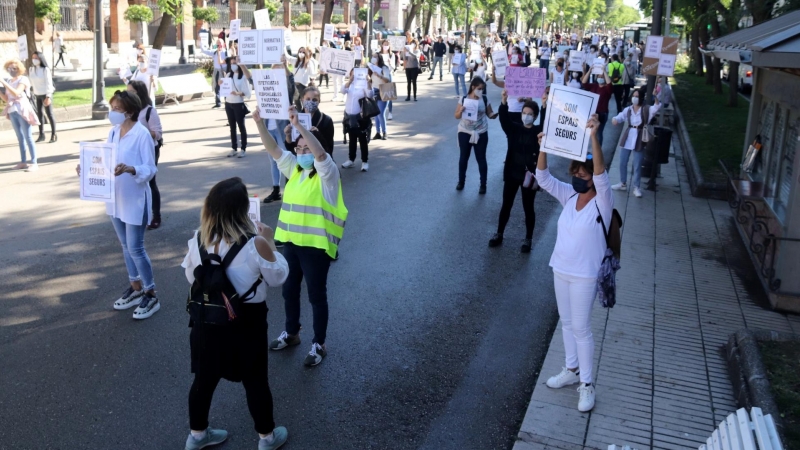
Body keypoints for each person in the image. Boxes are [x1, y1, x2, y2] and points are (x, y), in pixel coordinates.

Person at [181, 178, 290, 450]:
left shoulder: (198, 238)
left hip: (208, 319)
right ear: (243, 210)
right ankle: (266, 437)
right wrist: (271, 242)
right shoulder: (255, 243)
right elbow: (277, 277)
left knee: (203, 379)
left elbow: (190, 275)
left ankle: (197, 435)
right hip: (247, 322)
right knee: (255, 381)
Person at [251, 105, 348, 367]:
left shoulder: (328, 175)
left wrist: (300, 127)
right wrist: (259, 123)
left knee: (316, 296)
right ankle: (291, 332)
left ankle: (319, 343)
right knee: (289, 291)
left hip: (315, 248)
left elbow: (320, 154)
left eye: (307, 149)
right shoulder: (295, 170)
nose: (302, 152)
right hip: (291, 244)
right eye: (299, 148)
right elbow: (274, 150)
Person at [535, 115, 611, 413]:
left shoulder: (603, 201)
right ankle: (571, 370)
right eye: (576, 172)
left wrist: (594, 136)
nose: (578, 177)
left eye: (584, 173)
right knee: (566, 324)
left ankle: (588, 385)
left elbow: (602, 174)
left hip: (585, 276)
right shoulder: (569, 195)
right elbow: (542, 179)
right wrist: (543, 147)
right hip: (561, 270)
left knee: (581, 328)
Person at [75, 90, 159, 319]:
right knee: (124, 246)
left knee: (136, 248)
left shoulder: (142, 134)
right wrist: (86, 168)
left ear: (130, 112)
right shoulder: (113, 132)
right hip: (115, 198)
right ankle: (135, 288)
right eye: (111, 109)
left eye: (116, 110)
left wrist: (132, 169)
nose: (112, 113)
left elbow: (151, 169)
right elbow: (104, 161)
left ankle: (151, 293)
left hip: (135, 199)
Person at [490, 89, 543, 253]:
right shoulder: (514, 129)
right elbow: (504, 120)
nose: (526, 115)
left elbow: (548, 123)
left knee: (528, 207)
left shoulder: (538, 132)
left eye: (530, 113)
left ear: (535, 116)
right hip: (513, 174)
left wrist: (546, 105)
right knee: (506, 204)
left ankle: (528, 239)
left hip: (529, 176)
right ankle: (499, 233)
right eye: (524, 112)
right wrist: (504, 102)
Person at [608, 88, 660, 198]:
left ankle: (636, 187)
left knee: (637, 164)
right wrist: (615, 119)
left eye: (637, 96)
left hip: (640, 137)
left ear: (641, 98)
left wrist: (655, 96)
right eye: (633, 96)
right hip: (628, 135)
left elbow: (656, 108)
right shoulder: (628, 109)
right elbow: (620, 116)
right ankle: (622, 183)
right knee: (622, 161)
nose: (634, 98)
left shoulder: (646, 109)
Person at [127, 80, 164, 230]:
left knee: (150, 182)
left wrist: (142, 132)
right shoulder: (128, 111)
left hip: (149, 150)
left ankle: (156, 216)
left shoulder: (149, 111)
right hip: (132, 150)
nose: (128, 94)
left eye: (131, 92)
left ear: (139, 93)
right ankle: (138, 213)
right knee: (134, 181)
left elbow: (158, 133)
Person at [454, 77, 497, 194]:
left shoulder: (484, 99)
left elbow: (489, 113)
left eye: (482, 89)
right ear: (473, 87)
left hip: (481, 132)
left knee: (481, 158)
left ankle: (483, 184)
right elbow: (456, 116)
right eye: (479, 88)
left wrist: (494, 115)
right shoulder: (464, 99)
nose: (481, 91)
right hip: (465, 131)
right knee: (464, 157)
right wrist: (460, 111)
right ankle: (461, 181)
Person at [262, 58, 294, 204]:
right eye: (274, 71)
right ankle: (276, 190)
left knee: (286, 158)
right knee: (273, 160)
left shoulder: (285, 91)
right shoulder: (266, 88)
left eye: (278, 71)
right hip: (270, 129)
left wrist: (286, 68)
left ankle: (290, 188)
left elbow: (291, 83)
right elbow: (253, 81)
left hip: (281, 130)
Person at [1, 59, 39, 171]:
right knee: (20, 138)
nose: (12, 70)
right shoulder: (9, 80)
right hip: (12, 110)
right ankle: (23, 161)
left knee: (28, 137)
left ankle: (34, 162)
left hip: (22, 110)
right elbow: (7, 98)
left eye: (14, 68)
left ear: (19, 69)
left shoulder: (23, 79)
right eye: (9, 68)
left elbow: (16, 92)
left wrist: (3, 83)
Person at [284, 85, 335, 156]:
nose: (311, 102)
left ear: (319, 101)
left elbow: (329, 150)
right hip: (302, 161)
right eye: (308, 99)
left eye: (314, 100)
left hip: (319, 162)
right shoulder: (295, 119)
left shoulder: (326, 120)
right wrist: (288, 135)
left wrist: (318, 135)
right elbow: (290, 148)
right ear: (302, 99)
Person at [340, 68, 373, 171]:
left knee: (362, 139)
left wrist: (368, 83)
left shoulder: (363, 85)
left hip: (360, 118)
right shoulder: (350, 85)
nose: (354, 76)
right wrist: (349, 81)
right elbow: (342, 91)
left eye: (357, 74)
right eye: (352, 74)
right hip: (349, 117)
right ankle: (351, 160)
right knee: (352, 139)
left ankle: (364, 161)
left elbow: (370, 95)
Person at [221, 57, 252, 158]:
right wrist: (220, 82)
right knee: (232, 127)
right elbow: (224, 86)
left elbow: (247, 93)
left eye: (235, 63)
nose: (233, 65)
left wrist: (237, 93)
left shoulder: (242, 77)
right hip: (228, 104)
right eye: (232, 63)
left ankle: (243, 149)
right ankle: (234, 148)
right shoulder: (229, 75)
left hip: (238, 104)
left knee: (241, 127)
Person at [28, 51, 57, 144]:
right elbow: (30, 82)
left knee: (49, 114)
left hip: (46, 94)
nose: (34, 60)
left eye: (36, 58)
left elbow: (49, 83)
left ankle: (53, 134)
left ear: (40, 59)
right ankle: (41, 134)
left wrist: (48, 96)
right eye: (33, 58)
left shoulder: (45, 70)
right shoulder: (31, 69)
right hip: (37, 94)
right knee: (39, 115)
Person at [580, 69, 612, 147]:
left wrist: (604, 71)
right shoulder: (594, 86)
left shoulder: (607, 89)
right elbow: (584, 83)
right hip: (593, 113)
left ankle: (598, 150)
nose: (600, 78)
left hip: (602, 113)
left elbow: (609, 84)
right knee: (591, 132)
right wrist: (590, 70)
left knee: (599, 133)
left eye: (602, 77)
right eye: (599, 76)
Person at [369, 54, 392, 140]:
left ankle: (384, 132)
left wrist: (379, 75)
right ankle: (378, 132)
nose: (373, 58)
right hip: (374, 91)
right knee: (376, 113)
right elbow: (372, 80)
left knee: (381, 113)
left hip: (383, 90)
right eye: (373, 56)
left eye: (375, 57)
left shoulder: (384, 68)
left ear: (379, 58)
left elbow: (387, 80)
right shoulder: (372, 68)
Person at [201, 39, 227, 109]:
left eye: (220, 43)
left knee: (225, 86)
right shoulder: (214, 52)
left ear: (223, 44)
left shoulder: (226, 52)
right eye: (217, 43)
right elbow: (204, 50)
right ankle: (218, 103)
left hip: (224, 71)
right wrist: (202, 41)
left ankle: (227, 102)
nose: (219, 45)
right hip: (217, 71)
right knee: (216, 87)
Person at [379, 40, 396, 120]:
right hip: (380, 75)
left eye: (387, 44)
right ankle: (379, 111)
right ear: (382, 45)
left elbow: (393, 67)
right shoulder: (379, 54)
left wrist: (390, 63)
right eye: (384, 44)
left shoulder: (391, 55)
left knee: (389, 94)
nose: (386, 46)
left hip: (388, 75)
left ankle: (390, 112)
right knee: (379, 94)